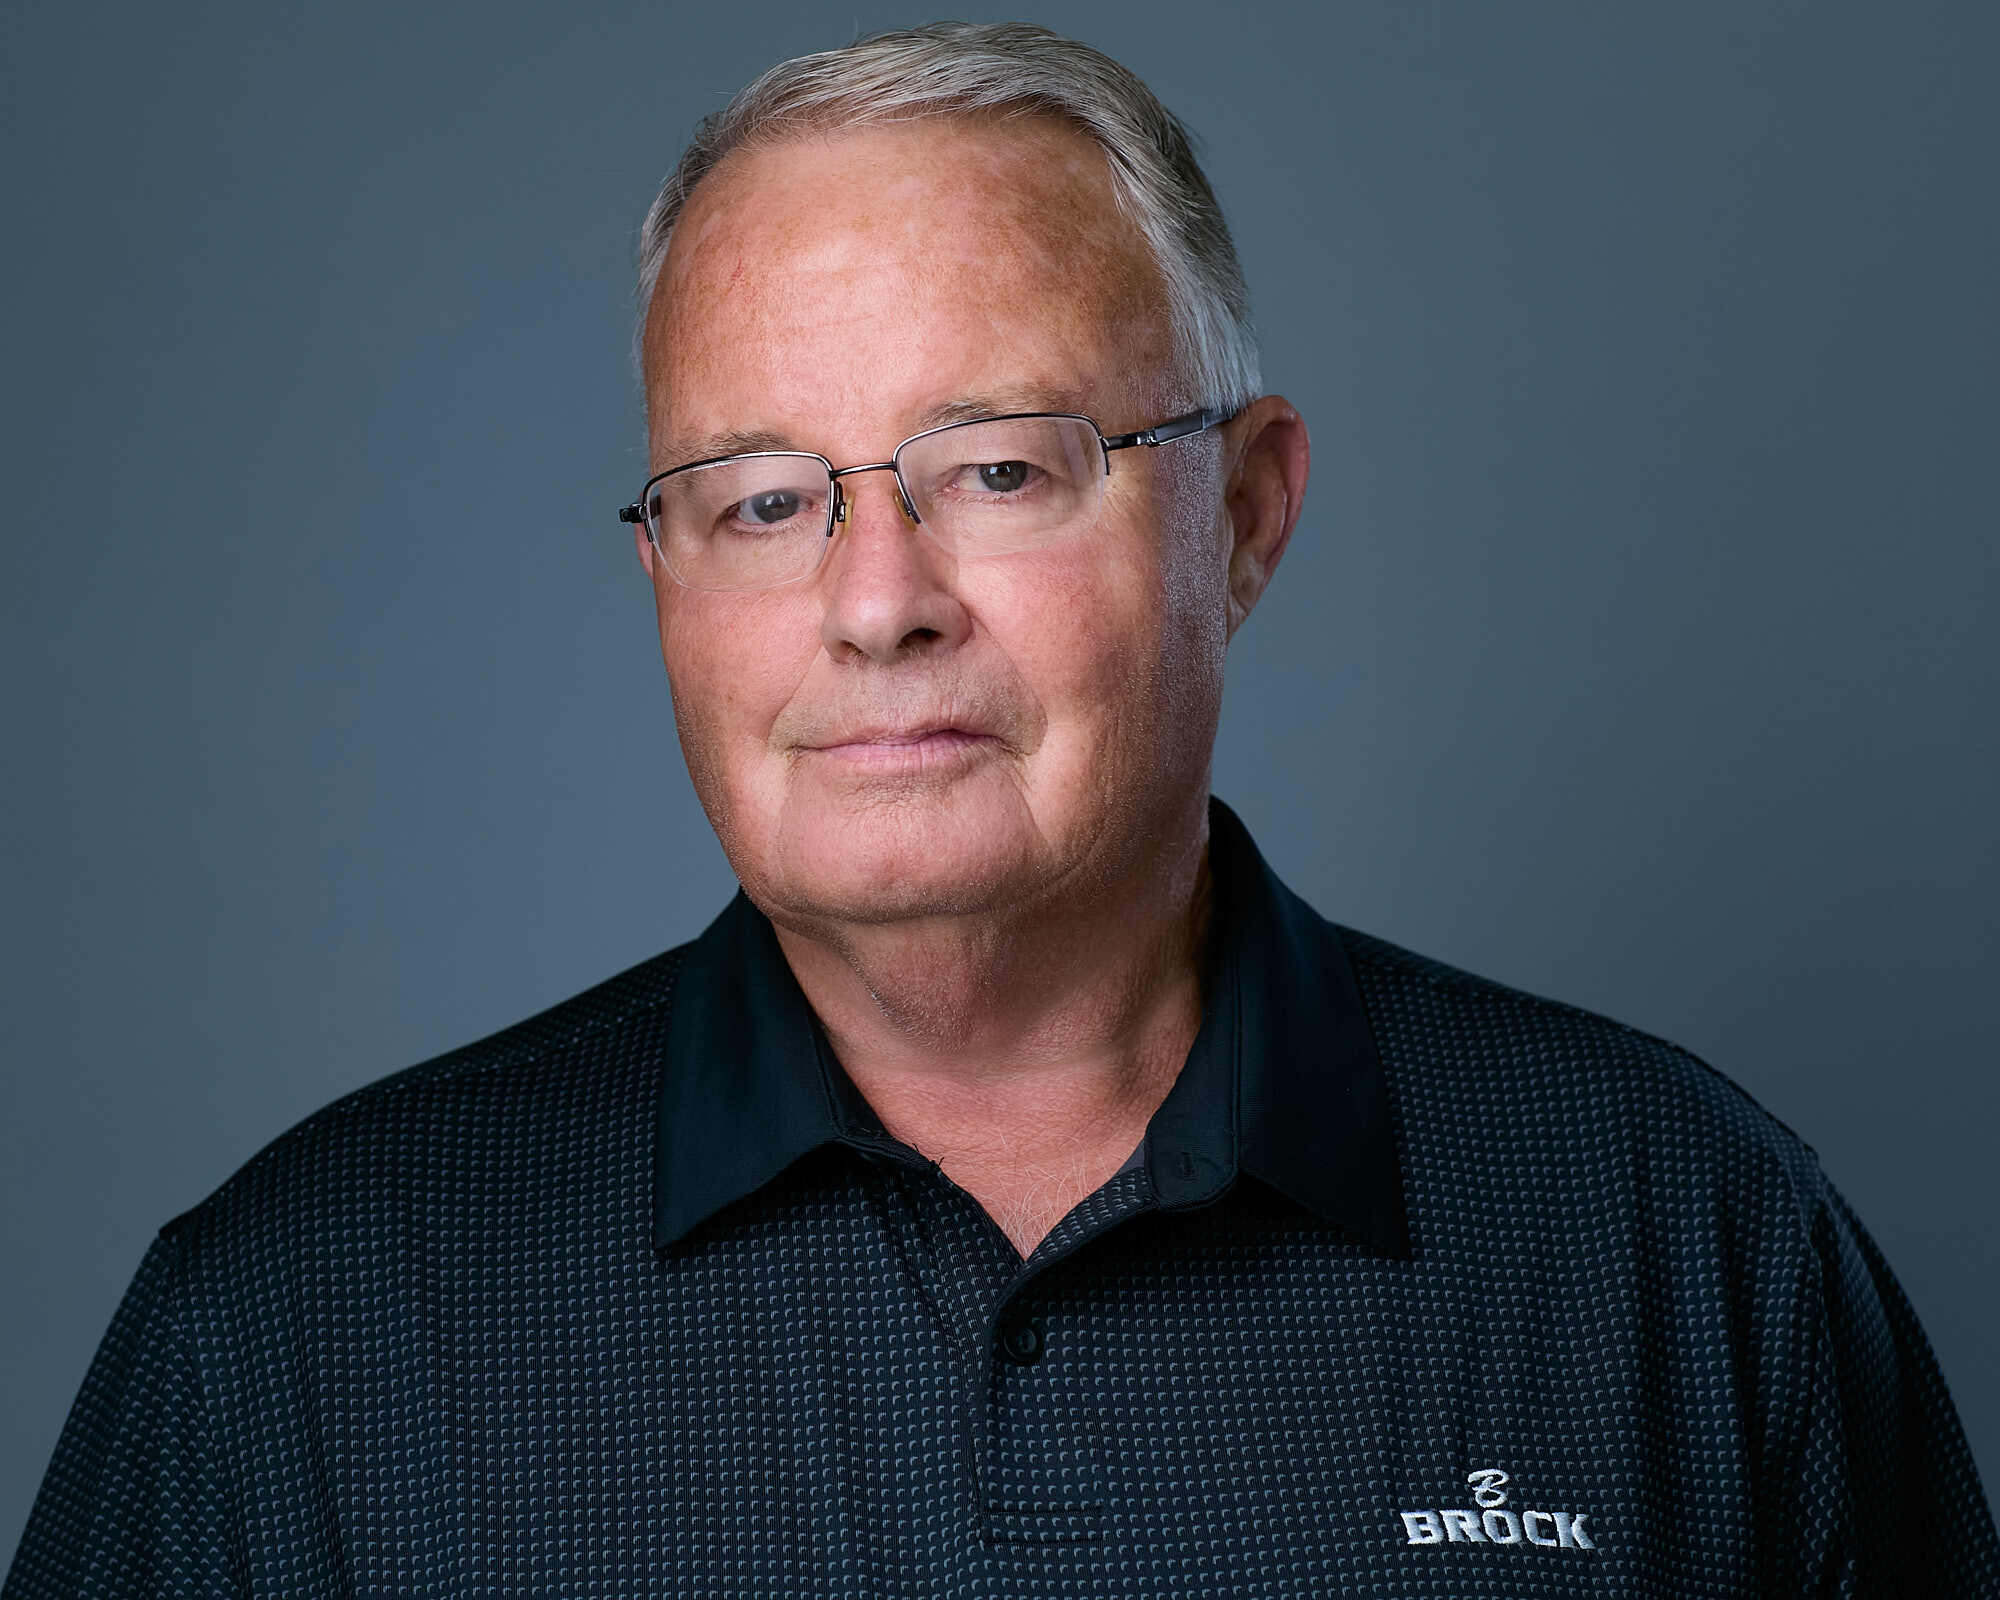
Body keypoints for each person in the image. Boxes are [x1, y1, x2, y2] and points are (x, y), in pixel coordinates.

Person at [6, 20, 1994, 1598]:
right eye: (765, 497)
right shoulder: (302, 1328)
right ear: (665, 579)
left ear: (1251, 510)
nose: (876, 602)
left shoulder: (1681, 1243)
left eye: (1002, 466)